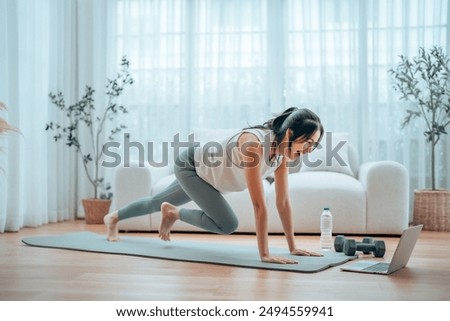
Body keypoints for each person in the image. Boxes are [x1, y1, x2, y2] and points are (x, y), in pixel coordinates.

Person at [104, 107, 324, 264]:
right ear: (290, 134)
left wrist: (292, 247)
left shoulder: (281, 155)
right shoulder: (254, 145)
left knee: (156, 201)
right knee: (228, 223)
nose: (309, 149)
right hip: (191, 166)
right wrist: (264, 254)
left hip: (207, 177)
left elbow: (283, 202)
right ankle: (173, 212)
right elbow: (259, 205)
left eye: (315, 145)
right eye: (308, 142)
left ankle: (113, 217)